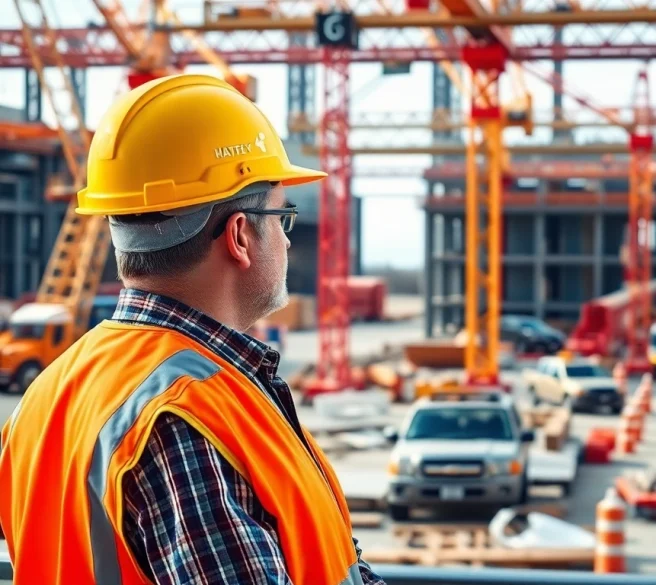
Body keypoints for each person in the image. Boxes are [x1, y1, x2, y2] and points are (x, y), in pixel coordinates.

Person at [0, 74, 386, 584]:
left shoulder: (48, 393)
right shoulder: (183, 419)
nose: (288, 241)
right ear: (240, 235)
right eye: (283, 216)